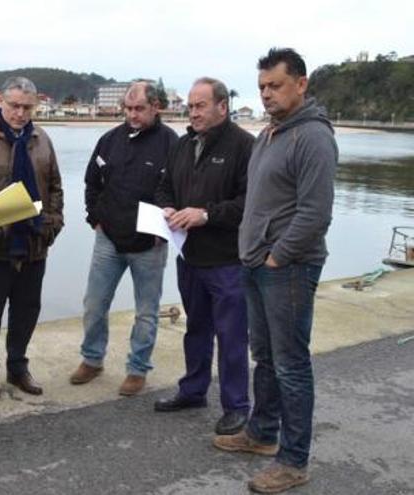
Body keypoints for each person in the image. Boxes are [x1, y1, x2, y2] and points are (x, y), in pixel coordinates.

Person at [213, 48, 337, 494]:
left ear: (301, 84)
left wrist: (277, 256)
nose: (266, 93)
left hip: (287, 269)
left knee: (291, 365)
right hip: (257, 264)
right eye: (262, 86)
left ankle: (294, 460)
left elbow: (315, 213)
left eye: (275, 85)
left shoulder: (313, 138)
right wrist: (252, 251)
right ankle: (262, 434)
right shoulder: (270, 134)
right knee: (265, 357)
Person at [153, 77, 253, 435]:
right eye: (190, 106)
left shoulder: (244, 146)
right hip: (189, 257)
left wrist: (205, 214)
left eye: (200, 106)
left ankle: (237, 406)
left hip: (228, 261)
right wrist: (166, 207)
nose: (192, 112)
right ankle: (193, 391)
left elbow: (249, 204)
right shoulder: (182, 145)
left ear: (222, 107)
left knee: (231, 337)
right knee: (196, 330)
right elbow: (165, 185)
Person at [70, 81, 178, 395]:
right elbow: (92, 183)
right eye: (128, 109)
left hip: (149, 244)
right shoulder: (108, 140)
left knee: (146, 311)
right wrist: (95, 219)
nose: (132, 115)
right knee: (94, 303)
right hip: (108, 238)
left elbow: (178, 192)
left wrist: (165, 229)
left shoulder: (172, 144)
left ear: (156, 107)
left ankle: (137, 368)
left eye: (139, 109)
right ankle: (92, 359)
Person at [0, 76, 64, 401]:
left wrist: (53, 224)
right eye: (14, 105)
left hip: (35, 244)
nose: (20, 113)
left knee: (27, 311)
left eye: (27, 107)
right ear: (0, 103)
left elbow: (56, 188)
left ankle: (18, 368)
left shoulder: (42, 139)